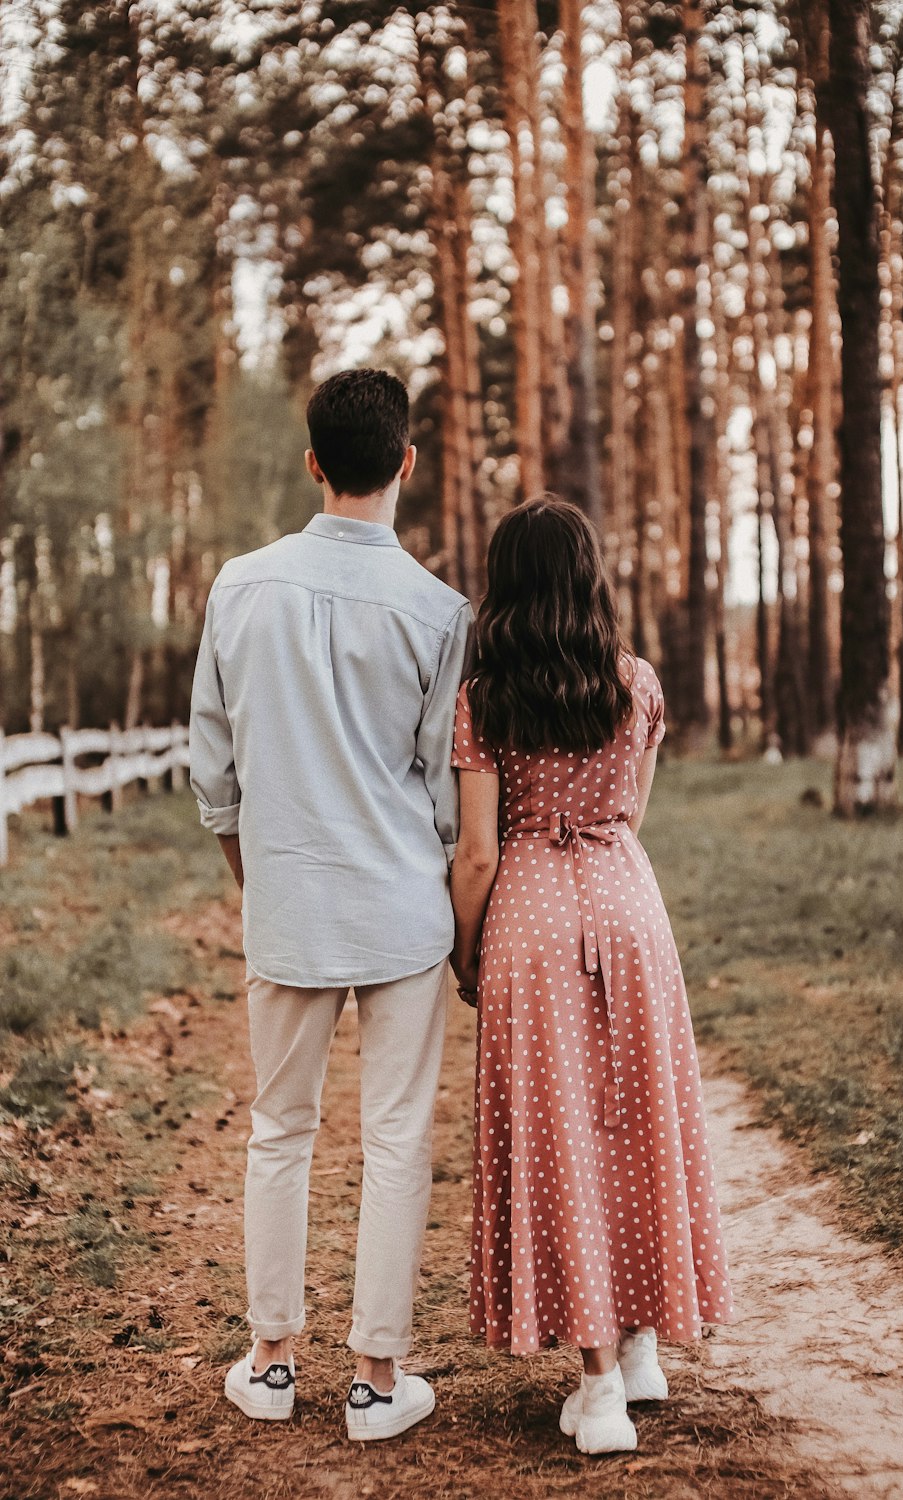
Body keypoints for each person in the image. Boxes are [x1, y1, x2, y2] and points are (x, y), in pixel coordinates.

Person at [189, 368, 473, 1440]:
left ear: (312, 462)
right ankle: (377, 1379)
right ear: (407, 462)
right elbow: (444, 792)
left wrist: (257, 881)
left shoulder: (237, 586)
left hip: (290, 901)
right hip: (403, 907)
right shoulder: (439, 611)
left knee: (279, 1131)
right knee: (397, 1138)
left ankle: (269, 1365)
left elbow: (212, 771)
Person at [449, 495, 733, 1456]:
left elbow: (479, 851)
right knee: (638, 1116)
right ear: (588, 576)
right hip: (624, 899)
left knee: (562, 1130)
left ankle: (602, 1389)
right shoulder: (636, 682)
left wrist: (465, 947)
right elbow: (632, 810)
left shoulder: (486, 694)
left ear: (508, 582)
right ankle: (644, 1347)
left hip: (529, 911)